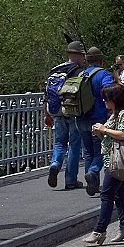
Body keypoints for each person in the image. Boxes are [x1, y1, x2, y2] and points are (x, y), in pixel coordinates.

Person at [83, 83, 124, 245]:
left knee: (106, 195)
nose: (104, 101)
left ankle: (99, 231)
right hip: (110, 158)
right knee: (119, 196)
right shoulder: (114, 114)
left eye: (107, 98)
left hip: (117, 161)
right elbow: (110, 138)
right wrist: (100, 132)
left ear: (116, 99)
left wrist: (104, 130)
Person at [45, 40, 89, 190]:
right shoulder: (77, 71)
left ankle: (55, 164)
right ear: (76, 55)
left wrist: (46, 113)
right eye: (82, 55)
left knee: (59, 143)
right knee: (74, 146)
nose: (83, 58)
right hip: (72, 111)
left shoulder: (55, 70)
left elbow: (47, 94)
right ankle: (71, 180)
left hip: (56, 111)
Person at [79, 46, 114, 196]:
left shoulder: (81, 74)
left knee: (88, 152)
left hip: (80, 117)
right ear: (100, 60)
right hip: (98, 118)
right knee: (103, 150)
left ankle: (92, 185)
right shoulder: (103, 74)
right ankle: (93, 172)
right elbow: (109, 92)